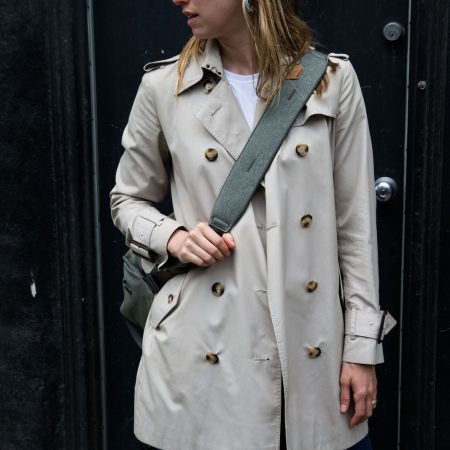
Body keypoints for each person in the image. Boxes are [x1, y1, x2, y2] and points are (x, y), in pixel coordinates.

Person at [110, 0, 396, 449]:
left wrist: (362, 349)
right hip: (202, 350)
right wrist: (174, 237)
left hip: (311, 351)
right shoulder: (165, 87)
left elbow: (355, 228)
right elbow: (127, 198)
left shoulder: (331, 80)